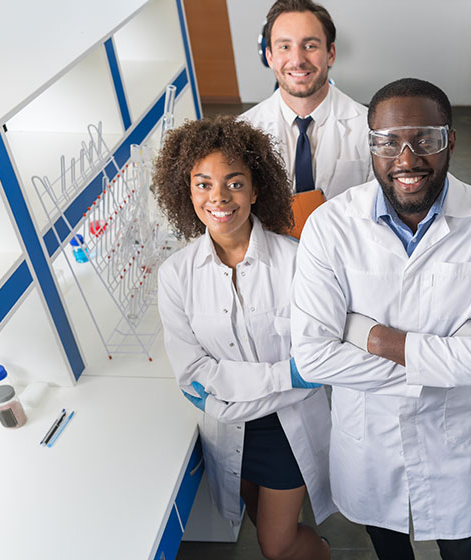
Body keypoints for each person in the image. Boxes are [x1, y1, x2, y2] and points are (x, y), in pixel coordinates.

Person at [290, 78, 471, 560]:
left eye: (425, 139)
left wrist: (372, 337)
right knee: (389, 549)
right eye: (387, 142)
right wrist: (452, 353)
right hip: (368, 444)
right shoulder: (330, 227)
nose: (406, 158)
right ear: (371, 146)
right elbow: (313, 357)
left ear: (450, 141)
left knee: (466, 550)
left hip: (448, 444)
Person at [154, 116, 332, 560]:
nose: (218, 198)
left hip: (287, 432)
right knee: (257, 518)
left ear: (256, 190)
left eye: (234, 183)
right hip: (231, 430)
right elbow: (193, 373)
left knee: (276, 545)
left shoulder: (299, 262)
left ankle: (323, 554)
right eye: (203, 184)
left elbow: (315, 363)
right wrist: (283, 379)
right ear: (186, 192)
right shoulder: (176, 275)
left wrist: (224, 393)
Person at [239, 0, 373, 201]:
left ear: (331, 54)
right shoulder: (243, 131)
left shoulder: (369, 127)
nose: (298, 60)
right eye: (284, 46)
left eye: (310, 46)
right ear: (269, 57)